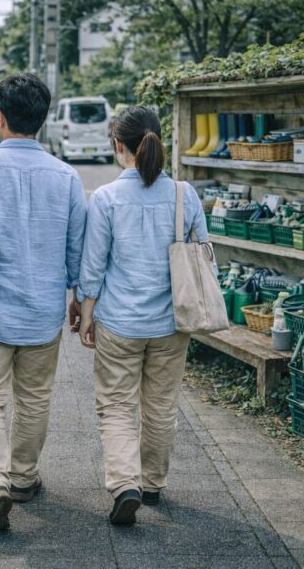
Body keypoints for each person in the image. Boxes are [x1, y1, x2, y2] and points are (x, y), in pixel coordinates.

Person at [0, 73, 87, 532]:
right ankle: (23, 479)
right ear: (42, 121)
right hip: (44, 313)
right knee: (34, 399)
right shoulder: (66, 176)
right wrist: (79, 299)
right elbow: (77, 251)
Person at [75, 106, 209, 526]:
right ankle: (152, 482)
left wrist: (86, 314)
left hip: (120, 323)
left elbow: (93, 267)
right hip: (172, 323)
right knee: (161, 405)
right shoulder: (186, 196)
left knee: (116, 407)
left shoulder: (107, 198)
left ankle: (124, 483)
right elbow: (206, 261)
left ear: (119, 146)